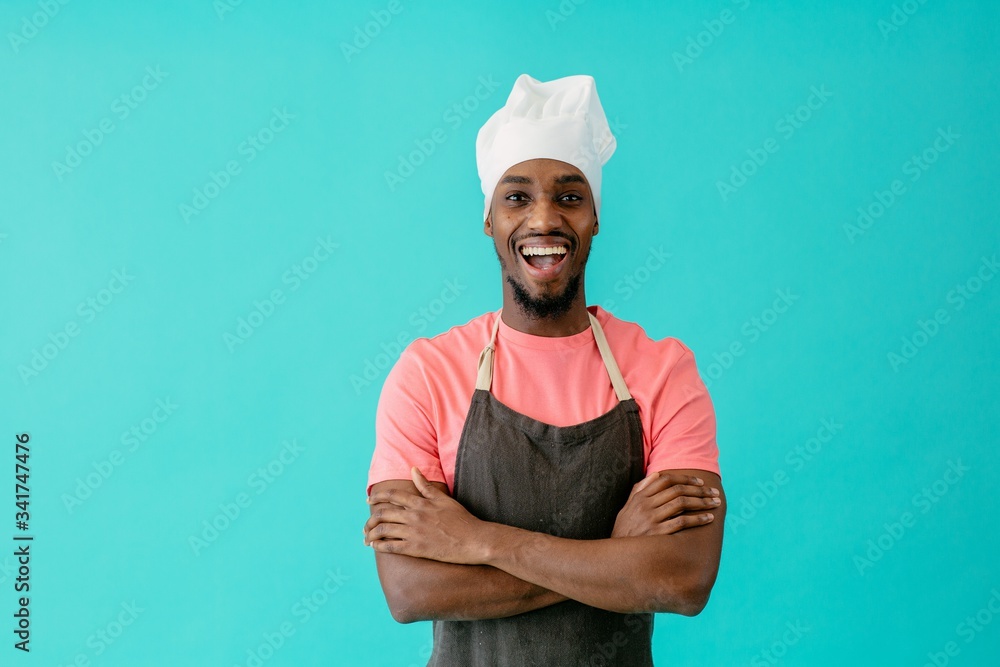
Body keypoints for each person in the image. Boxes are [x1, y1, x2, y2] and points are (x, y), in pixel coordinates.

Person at [364, 73, 725, 666]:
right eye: (516, 197)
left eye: (569, 195)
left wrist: (475, 541)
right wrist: (616, 559)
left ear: (595, 217)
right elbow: (411, 591)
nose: (543, 220)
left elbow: (683, 579)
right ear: (489, 219)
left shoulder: (663, 370)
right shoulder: (427, 373)